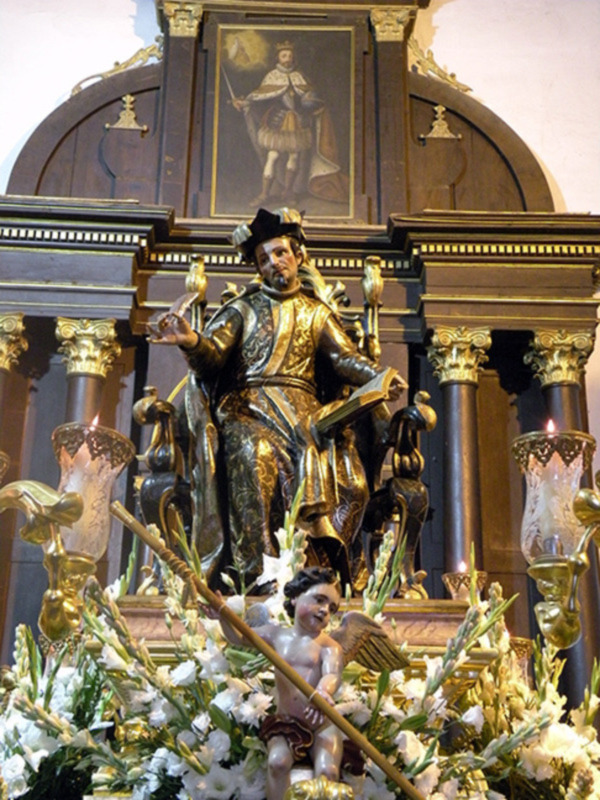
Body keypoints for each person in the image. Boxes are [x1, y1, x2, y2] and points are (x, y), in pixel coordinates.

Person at [148, 207, 406, 587]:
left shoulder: (316, 313)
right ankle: (259, 577)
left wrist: (382, 377)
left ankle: (324, 573)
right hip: (247, 409)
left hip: (305, 416)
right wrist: (190, 341)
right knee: (255, 457)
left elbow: (344, 359)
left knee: (351, 480)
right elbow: (213, 354)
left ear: (298, 255)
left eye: (280, 253)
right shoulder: (242, 309)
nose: (273, 263)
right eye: (263, 258)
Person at [215, 566, 345, 800]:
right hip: (287, 723)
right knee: (277, 762)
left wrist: (323, 692)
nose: (325, 610)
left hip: (322, 723)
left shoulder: (329, 646)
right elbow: (239, 637)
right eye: (319, 600)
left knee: (328, 771)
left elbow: (332, 674)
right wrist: (222, 615)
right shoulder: (277, 636)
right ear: (295, 597)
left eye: (332, 608)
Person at [232, 41, 347, 206]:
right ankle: (264, 194)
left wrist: (313, 103)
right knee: (273, 155)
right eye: (284, 55)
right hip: (277, 121)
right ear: (278, 57)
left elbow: (310, 97)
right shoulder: (272, 76)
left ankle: (288, 192)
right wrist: (244, 102)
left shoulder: (298, 76)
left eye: (290, 56)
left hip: (297, 121)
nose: (287, 59)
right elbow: (259, 96)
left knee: (294, 157)